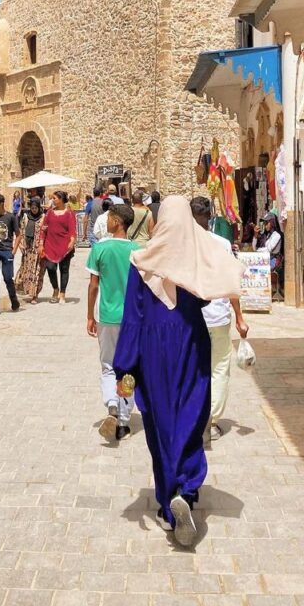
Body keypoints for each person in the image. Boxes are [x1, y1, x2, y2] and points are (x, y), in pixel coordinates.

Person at [113, 196, 242, 547]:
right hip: (190, 340)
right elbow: (205, 297)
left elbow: (134, 317)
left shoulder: (142, 261)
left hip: (153, 348)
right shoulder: (193, 255)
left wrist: (124, 365)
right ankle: (186, 486)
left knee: (159, 422)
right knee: (190, 413)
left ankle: (169, 503)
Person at [190, 196, 250, 439]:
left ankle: (193, 416)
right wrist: (239, 316)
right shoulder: (222, 244)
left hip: (191, 317)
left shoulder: (184, 245)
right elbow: (231, 282)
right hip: (218, 316)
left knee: (194, 367)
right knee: (219, 368)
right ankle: (212, 420)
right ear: (210, 216)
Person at [86, 204, 142, 442]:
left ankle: (111, 404)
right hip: (133, 319)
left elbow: (93, 286)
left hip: (107, 316)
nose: (106, 220)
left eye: (109, 217)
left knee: (108, 365)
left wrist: (89, 315)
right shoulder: (138, 251)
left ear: (118, 221)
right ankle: (124, 421)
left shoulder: (100, 248)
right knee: (129, 368)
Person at [40, 190, 76, 304]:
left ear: (61, 199)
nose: (53, 200)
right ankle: (55, 288)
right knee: (50, 268)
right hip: (50, 245)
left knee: (64, 270)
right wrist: (41, 243)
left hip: (64, 246)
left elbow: (72, 230)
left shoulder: (69, 213)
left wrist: (72, 241)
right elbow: (44, 228)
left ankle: (62, 293)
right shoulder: (49, 213)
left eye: (55, 198)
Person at [0, 193, 20, 317]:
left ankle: (14, 299)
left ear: (1, 204)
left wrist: (14, 250)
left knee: (7, 278)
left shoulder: (11, 217)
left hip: (7, 251)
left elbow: (18, 234)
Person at [14, 197, 45, 303]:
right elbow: (21, 230)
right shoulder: (26, 217)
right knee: (26, 271)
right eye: (32, 208)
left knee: (37, 271)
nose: (34, 210)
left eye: (36, 208)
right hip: (27, 249)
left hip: (37, 249)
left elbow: (45, 232)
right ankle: (26, 290)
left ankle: (35, 295)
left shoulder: (43, 217)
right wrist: (20, 244)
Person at [257, 212, 284, 299]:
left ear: (272, 223)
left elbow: (268, 249)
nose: (265, 225)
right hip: (267, 258)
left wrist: (258, 251)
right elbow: (259, 247)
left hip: (274, 260)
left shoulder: (277, 235)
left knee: (260, 269)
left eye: (266, 223)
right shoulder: (268, 235)